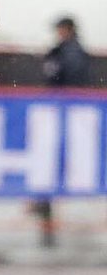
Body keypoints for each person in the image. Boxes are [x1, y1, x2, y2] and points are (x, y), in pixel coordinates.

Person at [32, 16, 94, 246]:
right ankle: (46, 223)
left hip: (61, 117)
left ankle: (47, 227)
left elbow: (55, 79)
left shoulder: (65, 53)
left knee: (49, 169)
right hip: (73, 118)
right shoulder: (78, 52)